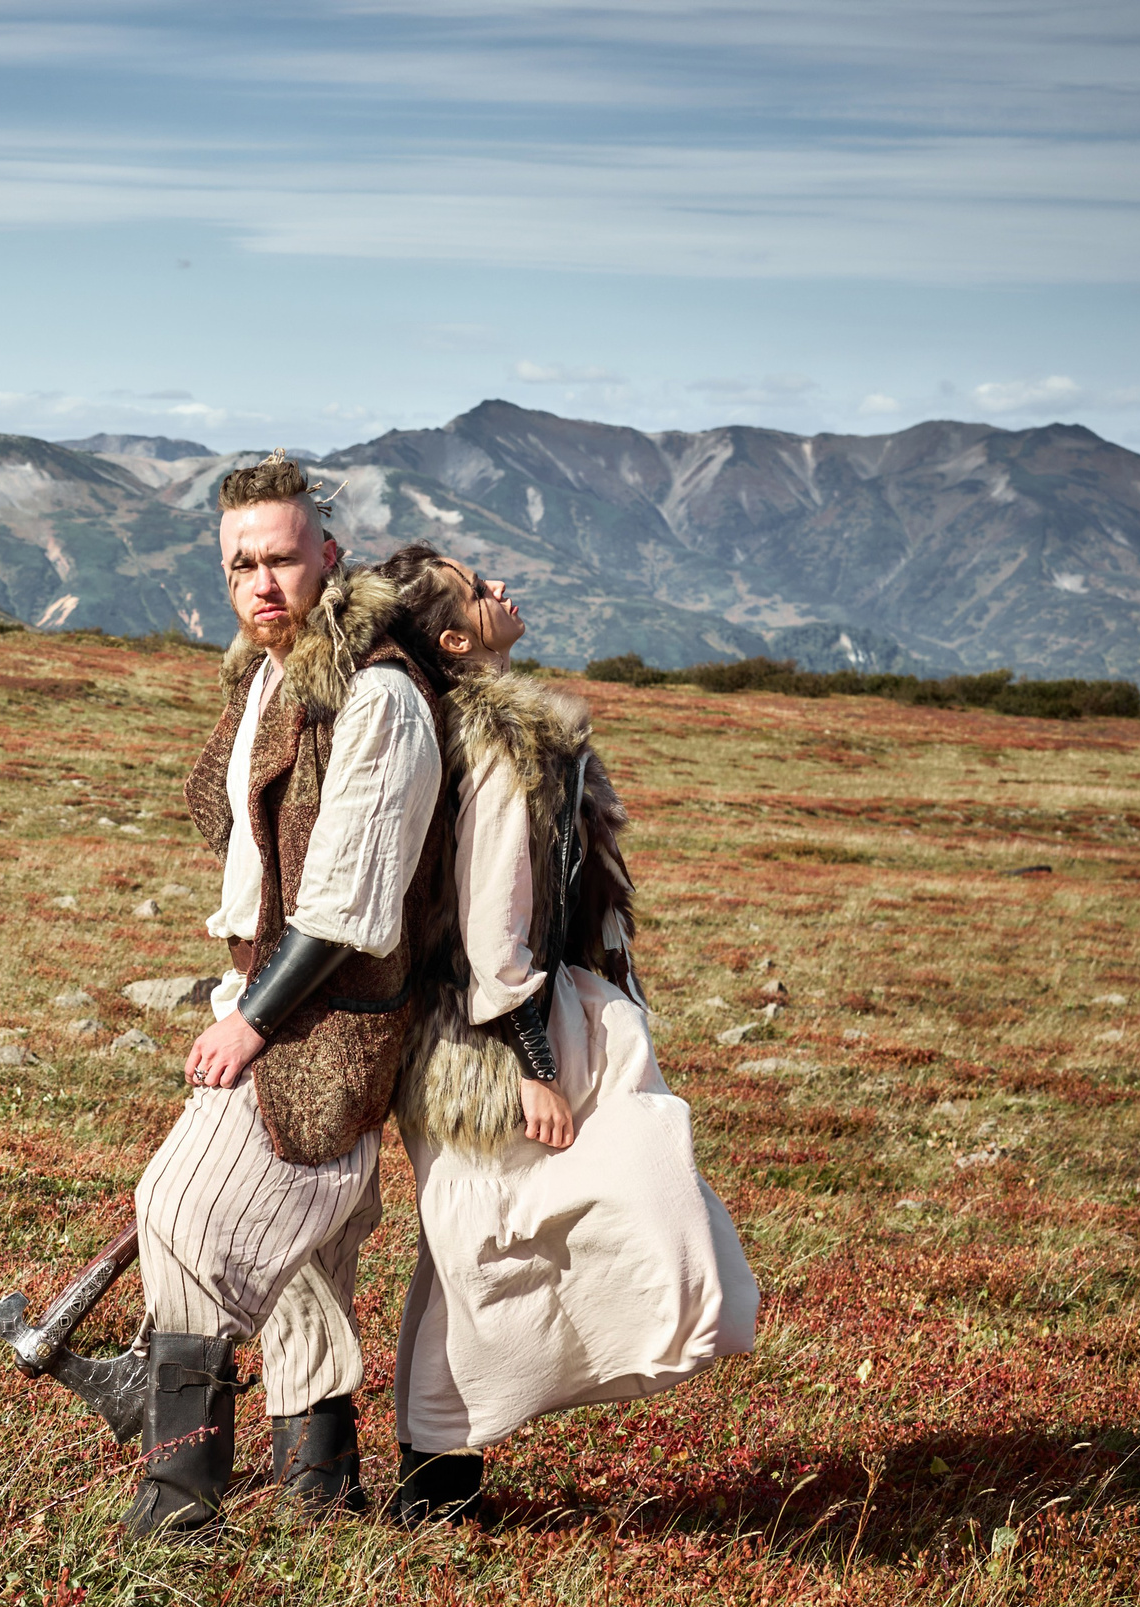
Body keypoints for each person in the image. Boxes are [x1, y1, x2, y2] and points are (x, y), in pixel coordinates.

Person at [373, 544, 759, 1524]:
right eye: (477, 589)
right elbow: (492, 923)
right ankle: (435, 1490)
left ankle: (437, 1482)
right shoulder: (508, 743)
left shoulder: (473, 729)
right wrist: (530, 1062)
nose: (501, 588)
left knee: (472, 1252)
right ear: (454, 639)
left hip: (487, 1027)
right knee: (487, 1254)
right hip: (490, 1041)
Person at [123, 454, 449, 1534]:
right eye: (240, 565)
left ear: (330, 556)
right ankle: (320, 1485)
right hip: (267, 984)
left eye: (281, 558)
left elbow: (348, 901)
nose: (261, 582)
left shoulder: (377, 695)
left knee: (182, 1211)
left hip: (331, 1013)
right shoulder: (269, 675)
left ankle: (178, 1506)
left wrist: (249, 1023)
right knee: (308, 1251)